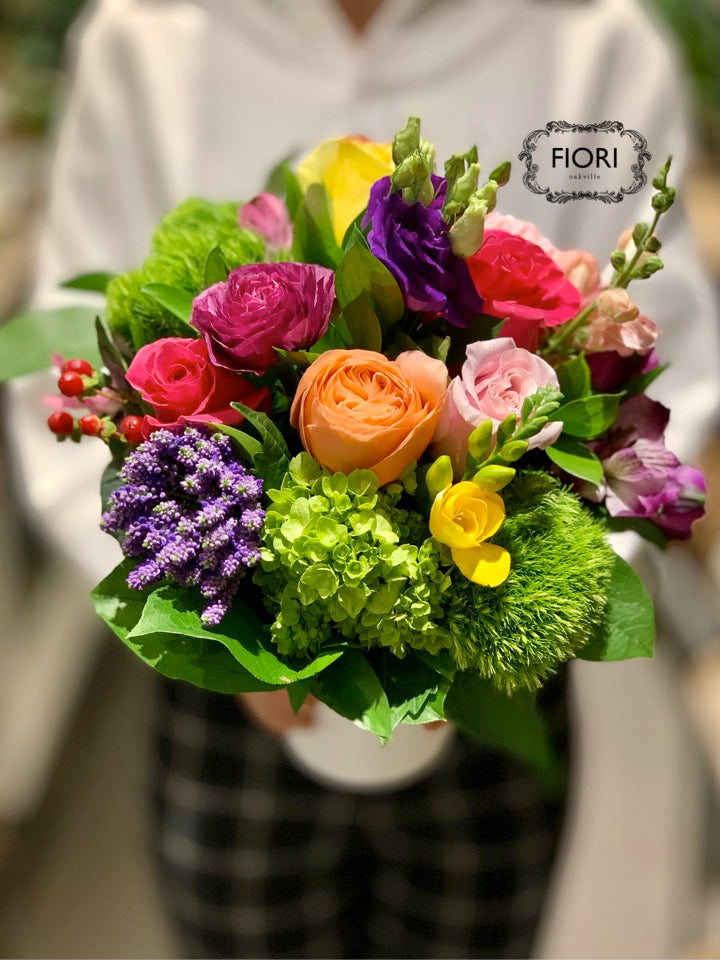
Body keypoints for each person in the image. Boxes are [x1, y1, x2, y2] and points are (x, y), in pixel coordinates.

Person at [7, 0, 719, 956]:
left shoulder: (600, 41)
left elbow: (665, 356)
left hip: (497, 671)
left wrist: (531, 589)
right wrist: (202, 604)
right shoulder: (145, 35)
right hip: (228, 678)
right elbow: (60, 351)